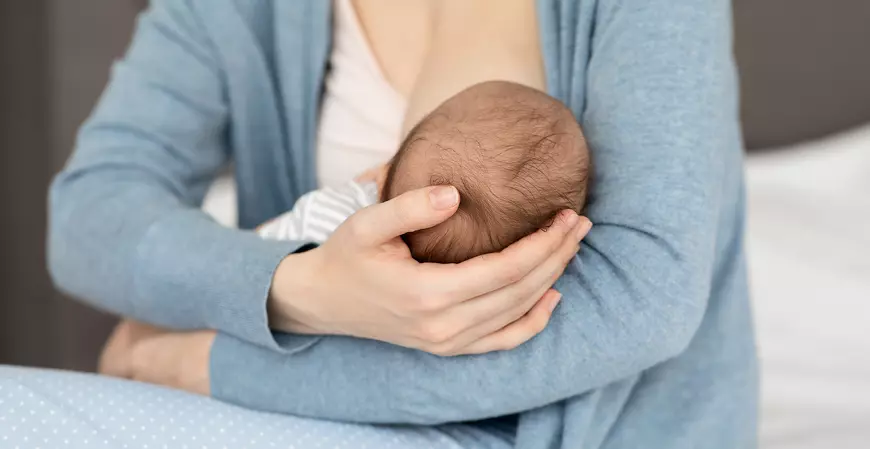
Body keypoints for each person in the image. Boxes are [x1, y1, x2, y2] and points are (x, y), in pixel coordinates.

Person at [8, 0, 757, 448]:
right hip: (318, 417)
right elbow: (90, 214)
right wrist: (297, 287)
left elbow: (642, 303)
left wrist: (202, 362)